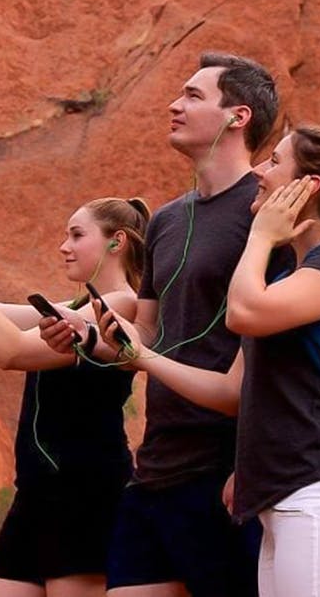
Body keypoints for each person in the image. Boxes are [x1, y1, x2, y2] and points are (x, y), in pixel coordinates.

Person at [97, 125, 320, 597]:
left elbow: (243, 313)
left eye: (275, 163)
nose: (260, 172)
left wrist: (260, 236)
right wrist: (141, 356)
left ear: (308, 187)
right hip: (281, 498)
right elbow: (243, 390)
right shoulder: (295, 277)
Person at [48, 52, 282, 597]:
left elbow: (271, 362)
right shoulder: (169, 219)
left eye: (193, 96)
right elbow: (148, 339)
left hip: (222, 473)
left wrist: (248, 468)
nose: (174, 105)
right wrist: (88, 340)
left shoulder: (265, 216)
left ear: (237, 117)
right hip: (154, 469)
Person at [0, 195, 149, 597]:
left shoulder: (123, 307)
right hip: (37, 492)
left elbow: (11, 351)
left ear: (117, 242)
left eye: (77, 235)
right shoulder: (78, 306)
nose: (64, 246)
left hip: (85, 494)